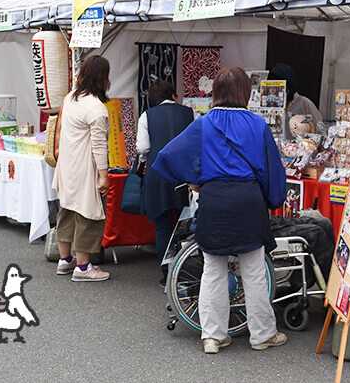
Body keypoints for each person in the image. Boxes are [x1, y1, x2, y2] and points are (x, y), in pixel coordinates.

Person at [152, 67, 287, 354]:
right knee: (254, 269)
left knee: (212, 269)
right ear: (245, 92)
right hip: (248, 200)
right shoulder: (257, 124)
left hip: (214, 200)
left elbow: (168, 155)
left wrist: (194, 179)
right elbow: (272, 171)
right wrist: (271, 199)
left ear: (216, 92)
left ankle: (213, 336)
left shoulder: (204, 123)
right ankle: (262, 334)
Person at [52, 55, 112, 282]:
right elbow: (99, 146)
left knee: (66, 211)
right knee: (89, 215)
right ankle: (84, 267)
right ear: (103, 78)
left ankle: (66, 260)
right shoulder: (96, 108)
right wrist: (103, 176)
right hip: (85, 168)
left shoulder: (70, 98)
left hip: (67, 165)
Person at [136, 80, 195, 286]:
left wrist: (146, 160)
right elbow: (195, 144)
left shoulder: (147, 116)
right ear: (172, 94)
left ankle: (166, 273)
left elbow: (143, 148)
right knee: (184, 225)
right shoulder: (189, 113)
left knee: (163, 227)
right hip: (184, 175)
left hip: (157, 174)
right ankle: (184, 270)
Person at [267, 63, 322, 139]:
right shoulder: (269, 105)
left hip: (299, 148)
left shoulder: (303, 102)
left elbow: (319, 127)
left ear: (289, 88)